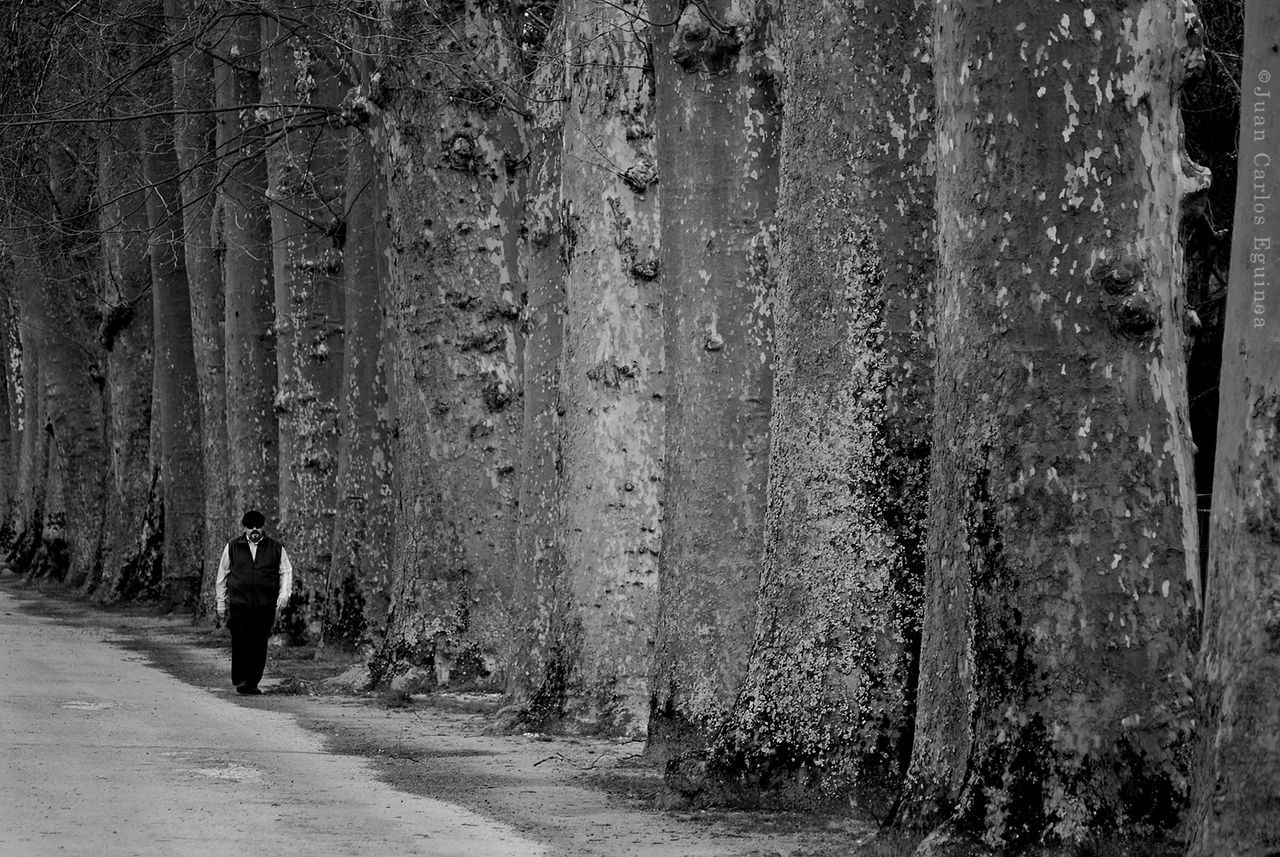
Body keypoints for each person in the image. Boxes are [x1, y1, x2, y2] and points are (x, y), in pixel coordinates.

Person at [214, 510, 293, 695]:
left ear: (263, 527)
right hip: (239, 604)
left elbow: (286, 572)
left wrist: (284, 595)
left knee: (258, 644)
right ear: (245, 528)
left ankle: (252, 681)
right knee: (241, 641)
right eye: (250, 527)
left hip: (264, 605)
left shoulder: (276, 548)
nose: (254, 530)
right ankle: (241, 679)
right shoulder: (232, 547)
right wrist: (221, 602)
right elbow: (222, 576)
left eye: (258, 526)